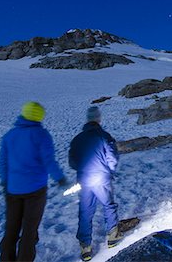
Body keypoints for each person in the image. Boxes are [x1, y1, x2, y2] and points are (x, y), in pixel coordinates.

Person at [0, 101, 67, 262]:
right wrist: (60, 179)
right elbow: (49, 161)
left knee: (11, 229)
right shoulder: (41, 135)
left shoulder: (10, 135)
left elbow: (3, 163)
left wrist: (5, 182)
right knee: (29, 232)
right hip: (35, 191)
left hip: (12, 190)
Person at [69, 106, 122, 261]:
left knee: (85, 211)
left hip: (84, 180)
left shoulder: (77, 139)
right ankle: (113, 236)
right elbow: (112, 158)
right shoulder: (104, 136)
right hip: (101, 178)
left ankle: (85, 247)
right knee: (108, 205)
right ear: (98, 119)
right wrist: (109, 171)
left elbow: (72, 162)